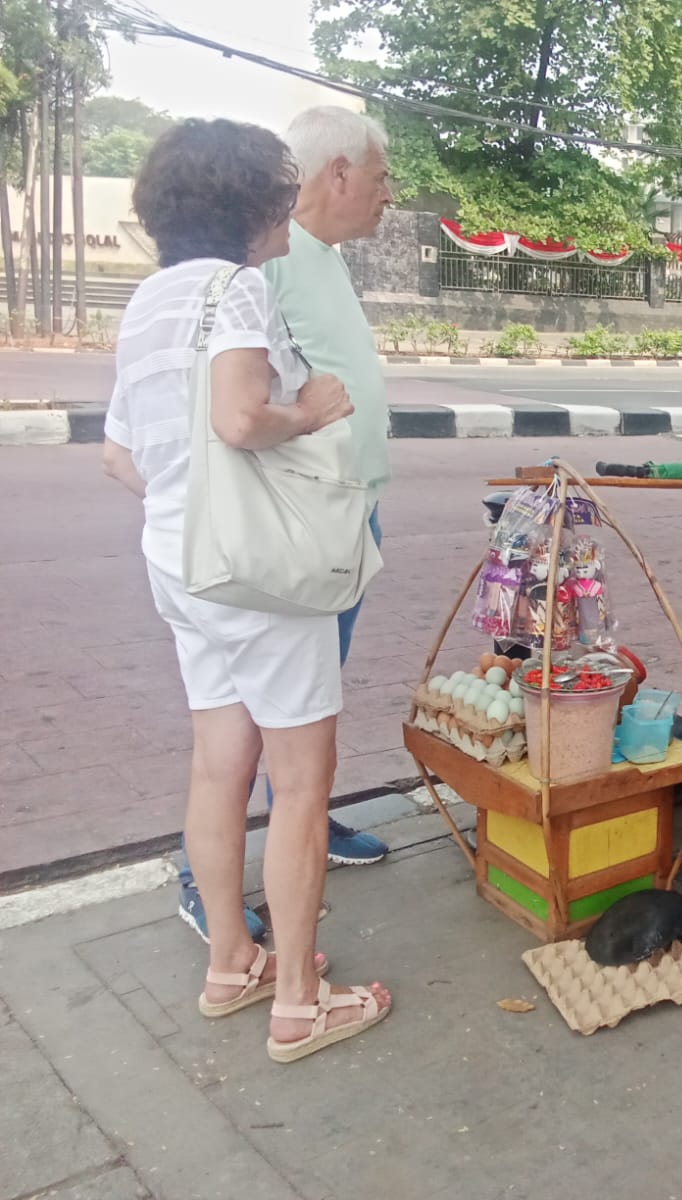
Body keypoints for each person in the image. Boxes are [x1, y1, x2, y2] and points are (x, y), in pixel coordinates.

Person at [102, 118, 391, 1059]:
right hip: (261, 578)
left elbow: (121, 455)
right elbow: (237, 417)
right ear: (250, 206)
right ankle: (302, 999)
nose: (287, 207)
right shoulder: (237, 290)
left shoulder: (146, 304)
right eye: (277, 192)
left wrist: (193, 504)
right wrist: (308, 407)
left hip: (181, 568)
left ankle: (233, 962)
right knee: (301, 784)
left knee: (217, 764)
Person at [173, 106, 396, 942]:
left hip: (345, 512)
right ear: (336, 173)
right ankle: (208, 876)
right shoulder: (264, 260)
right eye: (378, 178)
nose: (385, 197)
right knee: (253, 721)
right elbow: (244, 400)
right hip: (291, 526)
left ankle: (303, 822)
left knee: (307, 712)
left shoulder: (322, 260)